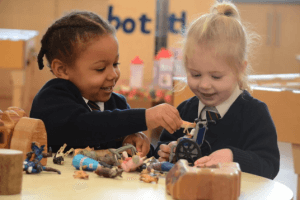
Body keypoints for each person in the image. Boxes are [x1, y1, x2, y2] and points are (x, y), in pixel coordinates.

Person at [30, 11, 182, 157]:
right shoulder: (51, 99)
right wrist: (144, 117)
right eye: (100, 69)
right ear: (62, 69)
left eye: (116, 64)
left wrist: (134, 141)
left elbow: (114, 131)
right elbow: (85, 127)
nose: (113, 74)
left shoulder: (117, 104)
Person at [156, 1, 280, 179]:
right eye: (196, 74)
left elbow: (269, 166)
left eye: (216, 77)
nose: (205, 85)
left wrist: (233, 157)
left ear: (240, 69)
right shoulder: (184, 111)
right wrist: (166, 152)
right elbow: (161, 148)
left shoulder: (254, 114)